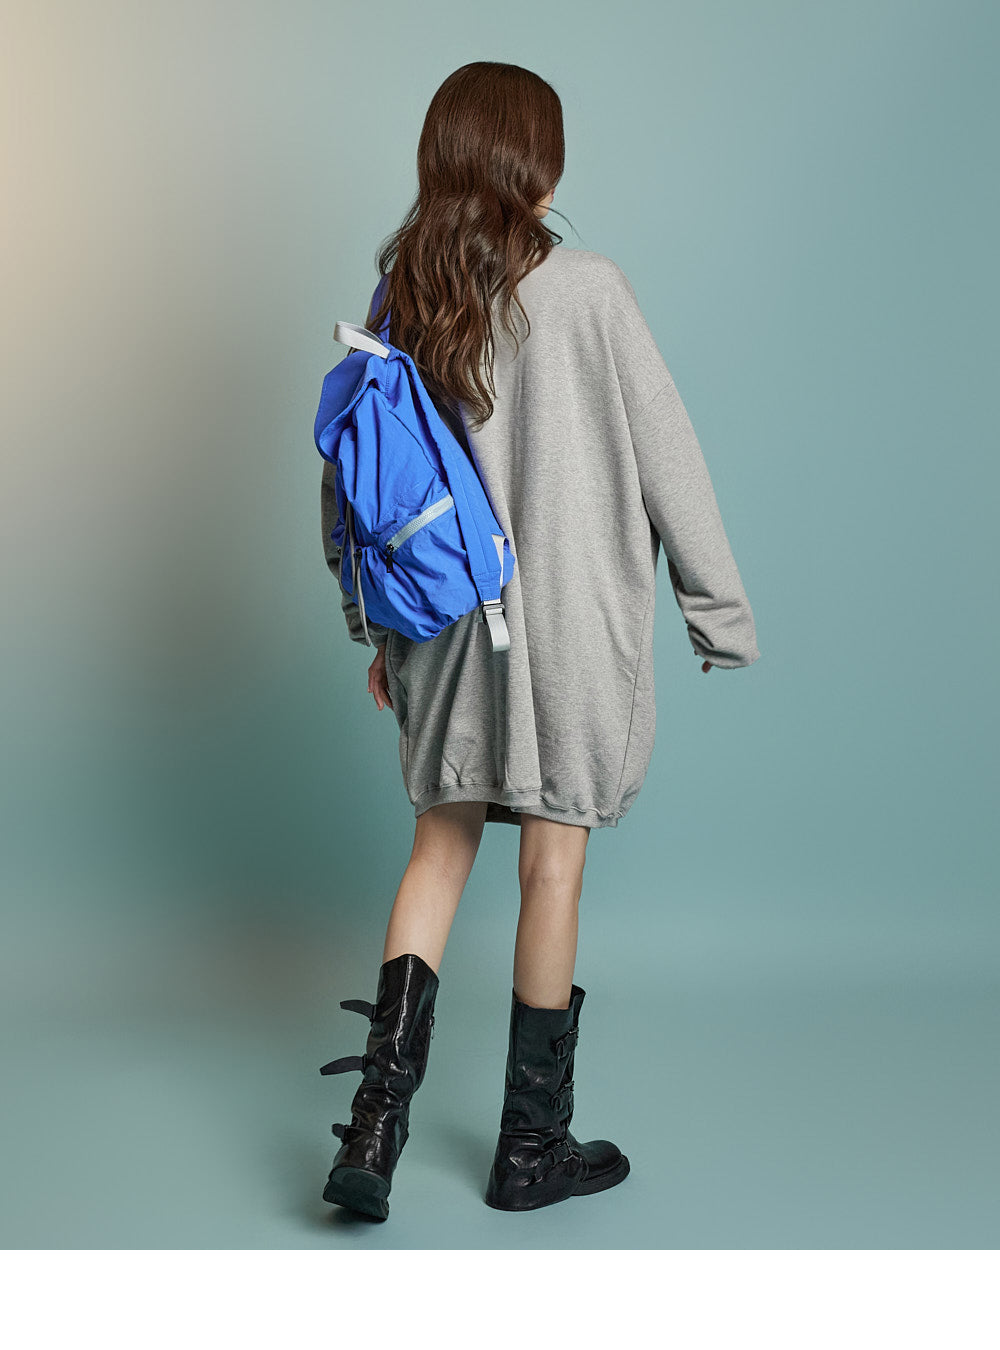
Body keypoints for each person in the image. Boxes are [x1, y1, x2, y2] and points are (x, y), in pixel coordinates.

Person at [317, 62, 760, 1221]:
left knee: (436, 853)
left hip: (443, 630)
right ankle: (531, 1150)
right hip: (567, 631)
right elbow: (670, 459)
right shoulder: (591, 290)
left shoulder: (401, 296)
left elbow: (353, 478)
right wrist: (717, 612)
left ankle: (371, 1132)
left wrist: (374, 630)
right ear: (535, 166)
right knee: (551, 865)